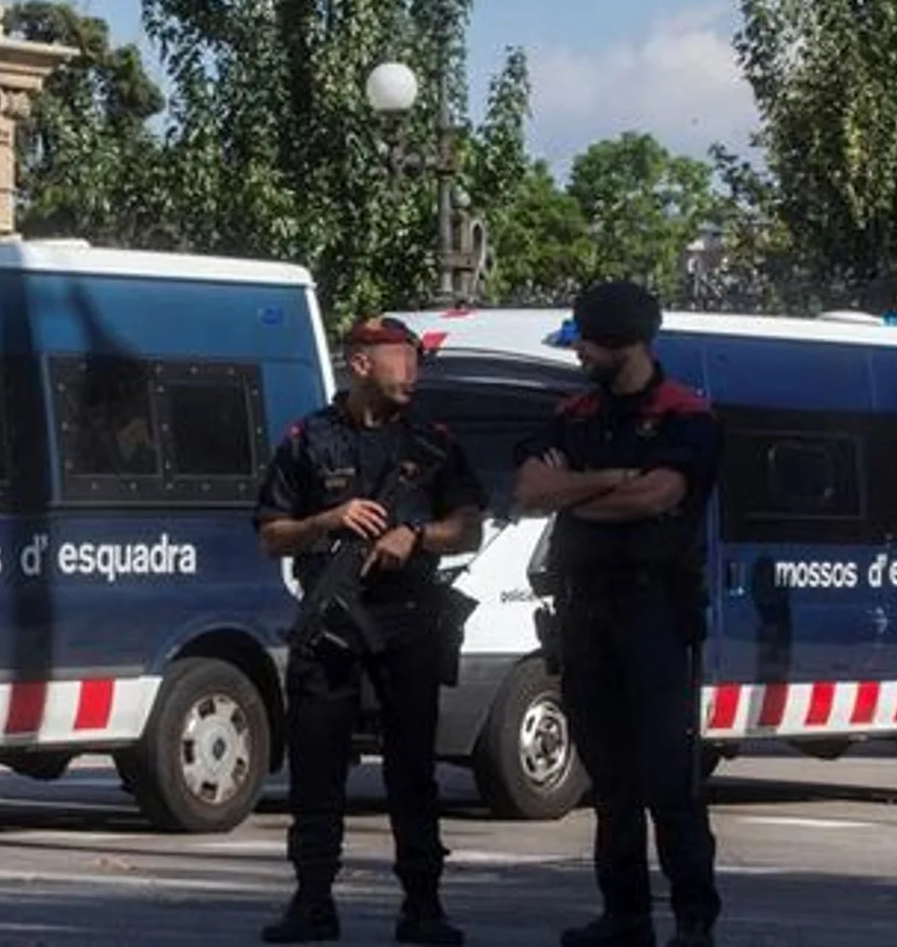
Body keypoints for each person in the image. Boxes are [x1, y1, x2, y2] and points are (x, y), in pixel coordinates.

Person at [253, 316, 487, 945]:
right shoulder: (309, 439)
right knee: (316, 767)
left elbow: (469, 525)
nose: (411, 371)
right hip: (332, 621)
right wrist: (326, 519)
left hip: (407, 618)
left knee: (413, 768)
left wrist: (417, 537)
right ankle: (312, 901)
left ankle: (423, 906)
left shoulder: (431, 442)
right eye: (399, 359)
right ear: (361, 363)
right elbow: (269, 532)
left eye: (415, 359)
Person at [511, 280, 724, 947]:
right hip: (585, 611)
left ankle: (693, 918)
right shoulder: (574, 414)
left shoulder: (685, 414)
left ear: (623, 343)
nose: (580, 356)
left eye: (588, 343)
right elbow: (530, 490)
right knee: (609, 776)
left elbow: (661, 496)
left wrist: (580, 492)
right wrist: (613, 481)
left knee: (668, 774)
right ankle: (625, 914)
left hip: (655, 609)